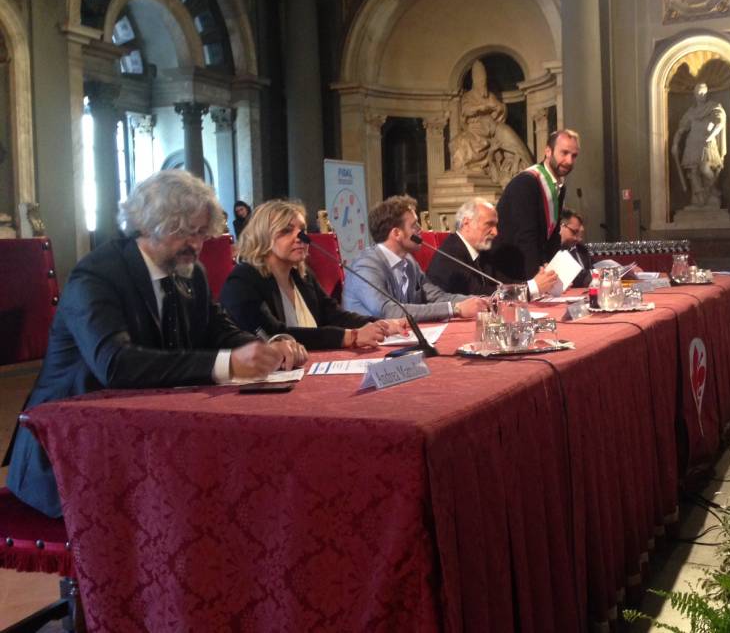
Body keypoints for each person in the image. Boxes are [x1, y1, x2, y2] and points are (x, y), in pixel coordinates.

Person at [5, 170, 306, 518]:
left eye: (201, 233)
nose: (197, 244)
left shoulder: (190, 272)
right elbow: (116, 364)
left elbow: (220, 331)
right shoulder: (97, 275)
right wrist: (227, 364)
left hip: (142, 438)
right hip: (70, 453)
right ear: (150, 224)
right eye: (186, 232)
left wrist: (269, 348)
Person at [220, 200, 407, 350]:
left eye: (303, 230)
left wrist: (379, 324)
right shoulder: (243, 280)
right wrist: (350, 336)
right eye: (287, 230)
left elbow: (334, 315)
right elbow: (274, 335)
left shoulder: (302, 276)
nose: (301, 237)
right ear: (263, 236)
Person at [342, 195, 489, 321]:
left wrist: (481, 301)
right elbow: (389, 311)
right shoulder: (366, 266)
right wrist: (455, 309)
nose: (420, 229)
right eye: (414, 225)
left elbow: (437, 297)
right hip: (369, 343)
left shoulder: (409, 261)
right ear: (397, 233)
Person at [492, 129, 581, 281]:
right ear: (548, 151)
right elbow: (525, 236)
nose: (569, 161)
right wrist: (535, 282)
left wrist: (556, 275)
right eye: (564, 153)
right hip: (510, 271)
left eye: (574, 156)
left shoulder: (559, 186)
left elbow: (552, 236)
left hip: (534, 269)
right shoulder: (526, 182)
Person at [427, 198, 558, 296]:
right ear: (466, 224)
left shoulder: (482, 252)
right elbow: (480, 295)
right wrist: (532, 288)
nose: (495, 232)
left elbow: (503, 283)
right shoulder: (449, 256)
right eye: (489, 224)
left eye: (496, 225)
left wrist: (541, 282)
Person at [671, 83, 727, 208]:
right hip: (692, 143)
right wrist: (675, 143)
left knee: (704, 168)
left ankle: (712, 191)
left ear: (707, 93)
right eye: (699, 93)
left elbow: (720, 122)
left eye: (703, 92)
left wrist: (711, 135)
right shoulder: (691, 112)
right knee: (693, 171)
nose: (701, 95)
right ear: (695, 94)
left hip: (706, 142)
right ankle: (699, 198)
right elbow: (681, 130)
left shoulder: (713, 107)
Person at [559, 208, 592, 288]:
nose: (577, 238)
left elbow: (591, 274)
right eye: (574, 232)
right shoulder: (548, 253)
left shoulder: (582, 250)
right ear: (561, 226)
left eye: (579, 233)